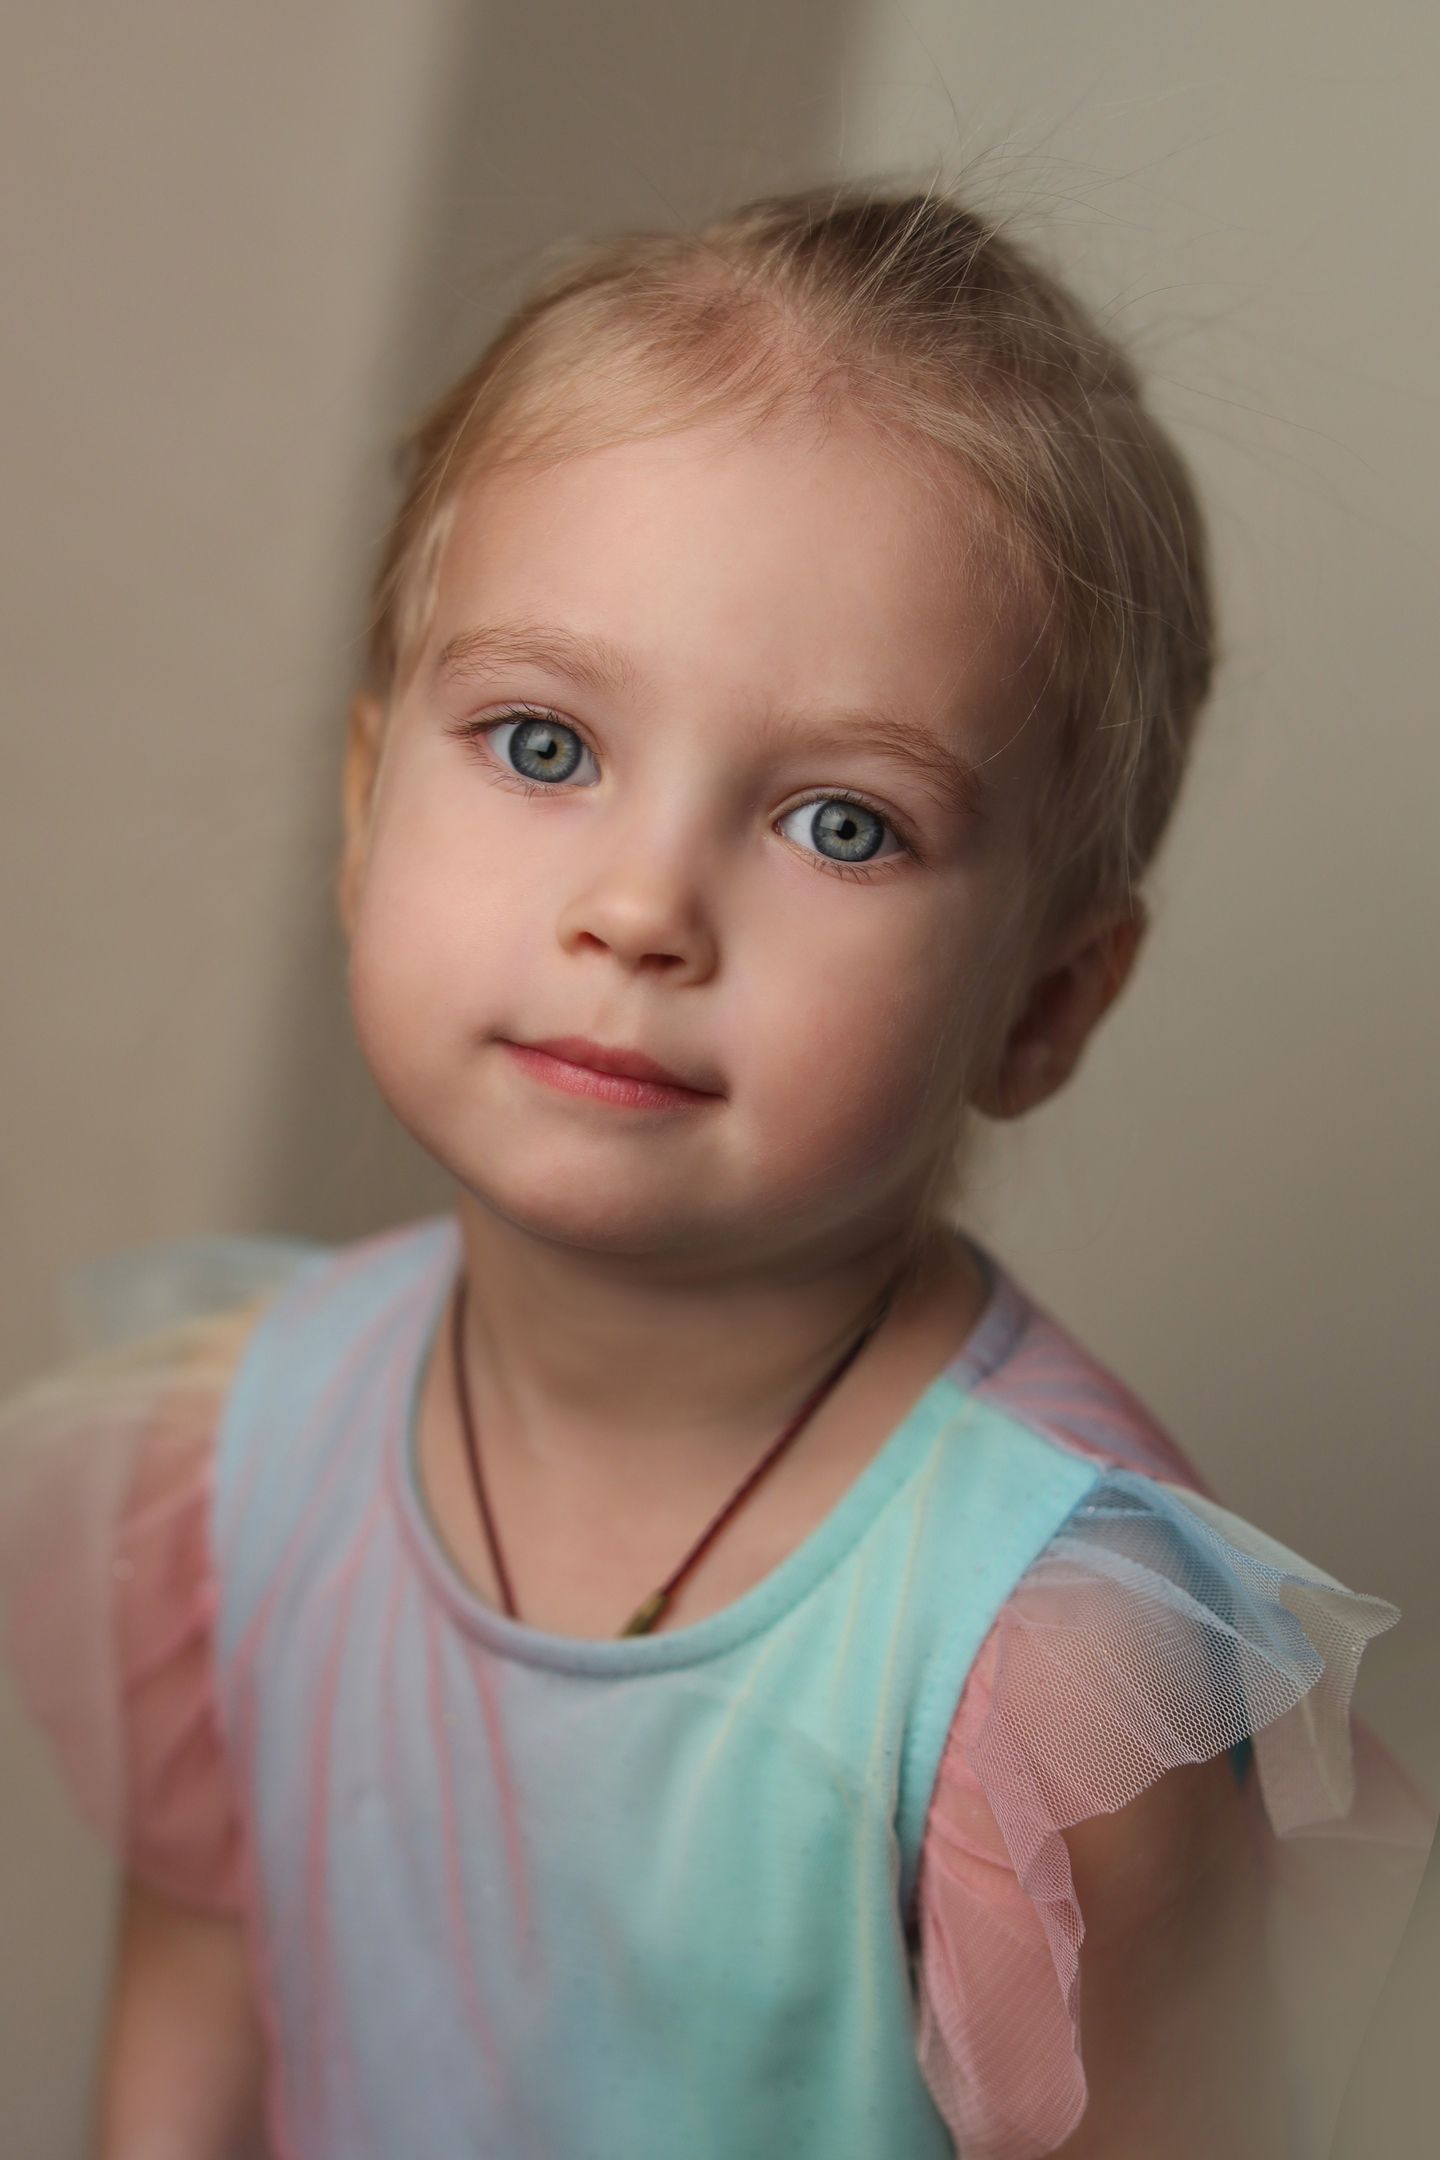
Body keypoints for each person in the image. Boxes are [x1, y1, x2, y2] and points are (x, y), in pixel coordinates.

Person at [1, 179, 1434, 2160]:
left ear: (1044, 1004)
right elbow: (196, 2024)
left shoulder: (1045, 1676)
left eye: (843, 824)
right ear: (363, 807)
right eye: (543, 743)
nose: (641, 905)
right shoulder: (235, 1451)